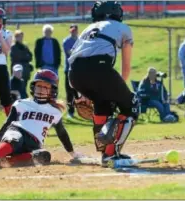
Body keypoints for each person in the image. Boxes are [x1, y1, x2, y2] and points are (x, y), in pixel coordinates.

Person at [68, 1, 139, 167]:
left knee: (103, 103)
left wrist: (81, 93)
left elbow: (75, 60)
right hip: (100, 68)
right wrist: (120, 90)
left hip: (74, 74)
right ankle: (110, 154)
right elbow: (126, 69)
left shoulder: (87, 29)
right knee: (131, 105)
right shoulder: (123, 28)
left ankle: (103, 150)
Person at [0, 70, 82, 167]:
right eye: (39, 86)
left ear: (52, 90)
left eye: (45, 87)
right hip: (17, 132)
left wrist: (73, 154)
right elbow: (6, 125)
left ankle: (5, 161)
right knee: (15, 139)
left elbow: (62, 134)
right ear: (33, 87)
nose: (41, 90)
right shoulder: (21, 103)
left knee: (43, 156)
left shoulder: (55, 112)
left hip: (34, 144)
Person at [10, 30, 33, 98]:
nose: (21, 38)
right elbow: (18, 57)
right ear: (16, 37)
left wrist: (26, 57)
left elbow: (30, 56)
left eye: (21, 37)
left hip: (25, 71)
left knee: (23, 88)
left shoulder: (25, 46)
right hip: (17, 71)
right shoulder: (14, 47)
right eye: (19, 37)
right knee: (16, 88)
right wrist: (25, 56)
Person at [63, 24, 79, 118]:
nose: (74, 32)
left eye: (75, 30)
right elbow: (70, 53)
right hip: (69, 69)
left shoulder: (81, 40)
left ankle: (82, 111)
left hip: (80, 70)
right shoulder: (66, 41)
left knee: (79, 92)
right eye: (72, 30)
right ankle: (71, 111)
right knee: (69, 92)